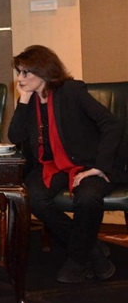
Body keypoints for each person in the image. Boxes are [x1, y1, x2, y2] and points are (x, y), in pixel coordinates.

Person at [8, 45, 124, 283]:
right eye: (19, 72)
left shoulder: (70, 91)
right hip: (52, 165)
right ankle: (92, 250)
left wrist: (100, 166)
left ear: (43, 71)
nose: (20, 78)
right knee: (33, 197)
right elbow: (15, 136)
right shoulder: (30, 99)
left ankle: (78, 261)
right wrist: (24, 100)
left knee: (88, 197)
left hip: (86, 163)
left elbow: (111, 124)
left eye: (25, 72)